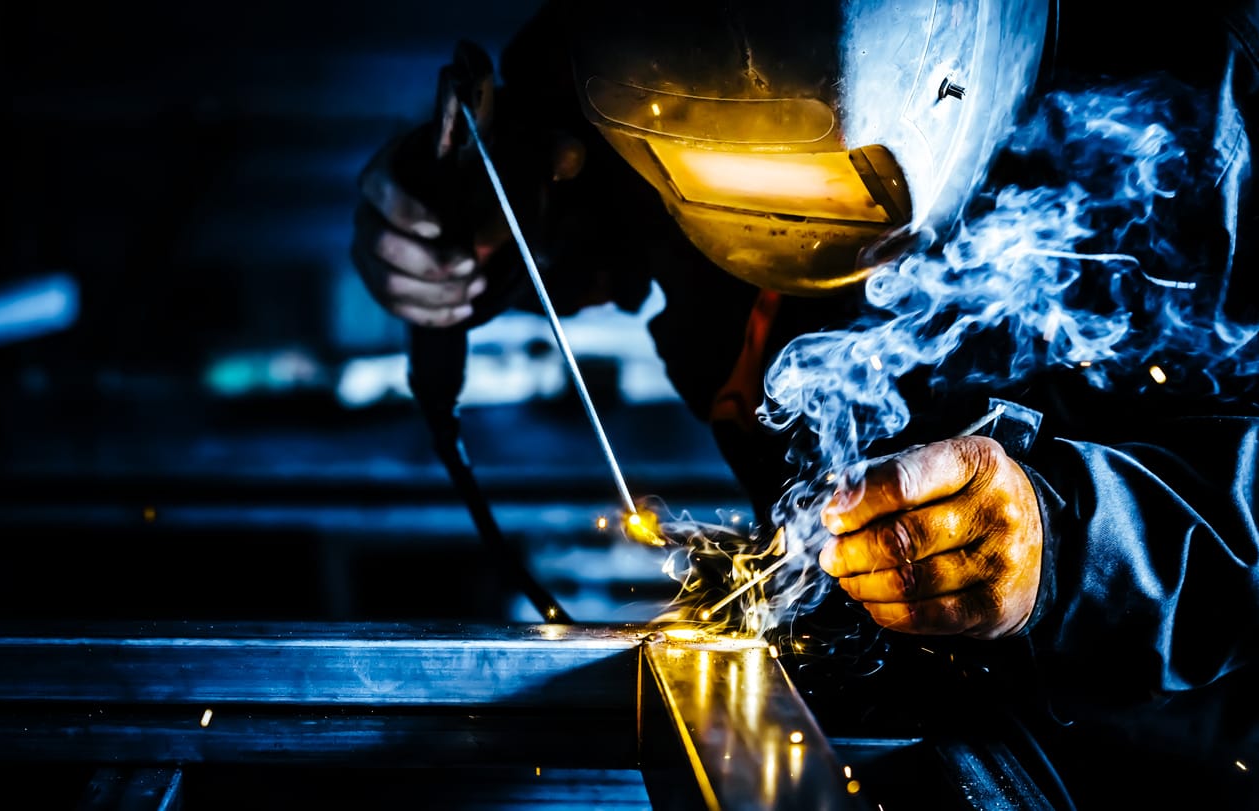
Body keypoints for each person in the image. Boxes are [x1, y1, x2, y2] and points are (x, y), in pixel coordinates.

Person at [352, 1, 1259, 805]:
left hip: (1153, 744)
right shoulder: (631, 28)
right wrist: (476, 226)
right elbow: (577, 186)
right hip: (852, 688)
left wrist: (1069, 543)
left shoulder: (1215, 85)